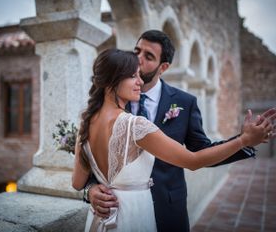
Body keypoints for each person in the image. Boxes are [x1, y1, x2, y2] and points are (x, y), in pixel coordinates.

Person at [84, 30, 276, 232]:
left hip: (168, 206)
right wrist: (90, 189)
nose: (138, 59)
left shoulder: (184, 102)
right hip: (120, 212)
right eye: (137, 51)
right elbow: (90, 158)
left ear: (163, 67)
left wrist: (244, 141)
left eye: (148, 56)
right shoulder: (107, 105)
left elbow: (200, 152)